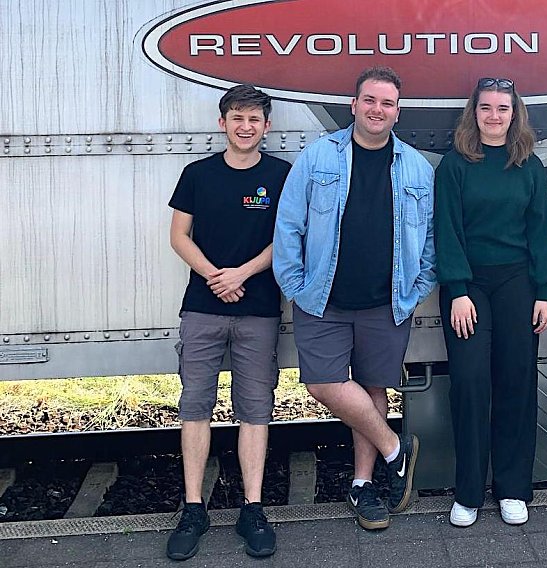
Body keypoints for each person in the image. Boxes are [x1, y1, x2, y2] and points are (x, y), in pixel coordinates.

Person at [273, 66, 435, 531]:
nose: (377, 110)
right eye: (369, 100)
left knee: (373, 388)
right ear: (354, 104)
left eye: (387, 103)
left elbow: (429, 241)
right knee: (323, 383)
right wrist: (296, 286)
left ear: (397, 111)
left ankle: (364, 486)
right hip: (322, 299)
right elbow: (288, 225)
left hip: (386, 302)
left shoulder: (416, 167)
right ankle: (395, 449)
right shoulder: (319, 157)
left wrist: (416, 286)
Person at [166, 84, 290, 560]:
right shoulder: (197, 174)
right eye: (237, 118)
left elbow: (288, 237)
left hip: (258, 307)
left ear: (266, 126)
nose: (245, 126)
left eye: (254, 119)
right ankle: (193, 508)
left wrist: (243, 273)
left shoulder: (281, 175)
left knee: (256, 407)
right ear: (223, 123)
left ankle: (252, 509)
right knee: (195, 404)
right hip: (202, 307)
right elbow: (179, 235)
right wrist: (216, 277)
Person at [434, 77, 547, 527]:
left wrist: (544, 292)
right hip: (468, 286)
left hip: (517, 285)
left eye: (502, 109)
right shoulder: (454, 165)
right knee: (468, 381)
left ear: (514, 114)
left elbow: (541, 232)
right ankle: (468, 492)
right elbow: (445, 231)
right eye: (485, 108)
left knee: (517, 381)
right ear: (474, 113)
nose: (493, 116)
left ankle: (512, 489)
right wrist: (456, 290)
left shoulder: (528, 165)